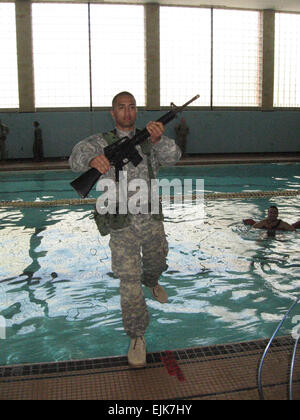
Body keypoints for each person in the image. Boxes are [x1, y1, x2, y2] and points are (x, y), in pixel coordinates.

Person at [69, 91, 181, 368]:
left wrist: (156, 140)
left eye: (132, 107)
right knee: (129, 280)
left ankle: (153, 282)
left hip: (151, 220)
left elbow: (175, 156)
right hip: (121, 226)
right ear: (112, 112)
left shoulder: (151, 139)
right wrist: (92, 161)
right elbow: (74, 159)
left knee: (156, 263)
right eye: (121, 107)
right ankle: (137, 336)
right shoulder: (99, 142)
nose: (127, 112)